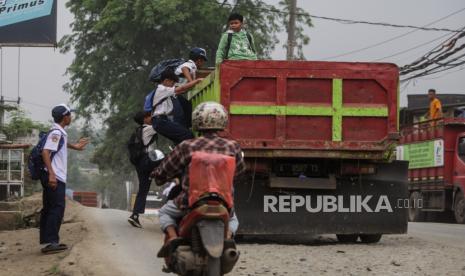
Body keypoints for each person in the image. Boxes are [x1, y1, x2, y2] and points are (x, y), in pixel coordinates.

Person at [153, 102, 246, 244]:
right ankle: (227, 236)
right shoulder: (232, 146)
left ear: (196, 121)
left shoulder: (187, 145)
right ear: (222, 121)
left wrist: (159, 176)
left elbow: (167, 168)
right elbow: (239, 172)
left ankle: (172, 238)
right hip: (223, 201)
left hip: (190, 201)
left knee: (164, 212)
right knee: (233, 219)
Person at [40, 104, 89, 254]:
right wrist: (52, 174)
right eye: (69, 114)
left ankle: (47, 240)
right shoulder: (56, 132)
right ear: (65, 117)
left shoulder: (58, 132)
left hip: (51, 174)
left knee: (49, 207)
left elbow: (59, 143)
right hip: (55, 175)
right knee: (57, 207)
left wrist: (75, 146)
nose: (71, 117)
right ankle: (52, 242)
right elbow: (45, 152)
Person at [151, 69, 202, 145]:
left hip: (160, 121)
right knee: (188, 135)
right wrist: (197, 81)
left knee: (179, 140)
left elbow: (181, 91)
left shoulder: (164, 91)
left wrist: (191, 86)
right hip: (160, 121)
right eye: (172, 83)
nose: (173, 85)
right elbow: (181, 88)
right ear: (166, 80)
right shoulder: (162, 89)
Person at [128, 111, 158, 228]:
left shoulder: (138, 131)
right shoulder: (148, 129)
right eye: (149, 116)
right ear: (144, 119)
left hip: (140, 163)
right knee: (167, 161)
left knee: (143, 189)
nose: (151, 118)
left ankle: (135, 215)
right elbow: (161, 126)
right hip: (146, 161)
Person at [173, 47, 208, 128]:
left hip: (176, 94)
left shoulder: (192, 66)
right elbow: (184, 68)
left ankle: (187, 126)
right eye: (203, 61)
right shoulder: (191, 64)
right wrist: (191, 81)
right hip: (174, 94)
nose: (203, 64)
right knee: (185, 111)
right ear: (199, 60)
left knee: (188, 107)